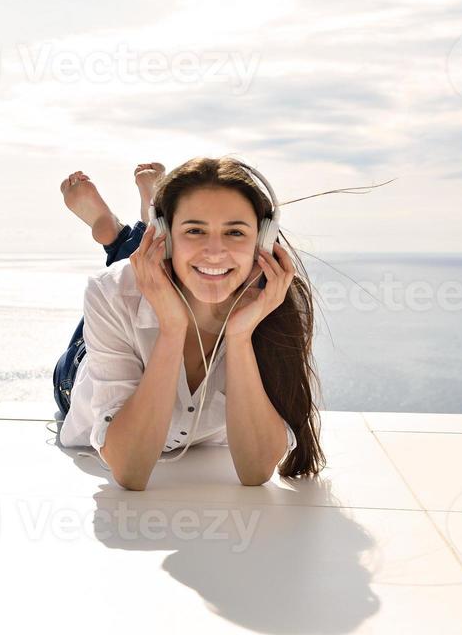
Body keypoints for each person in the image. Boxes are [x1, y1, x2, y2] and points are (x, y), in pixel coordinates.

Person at [53, 156, 325, 491]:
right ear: (166, 237)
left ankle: (135, 224)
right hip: (79, 373)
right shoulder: (110, 291)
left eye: (235, 232)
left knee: (152, 264)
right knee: (134, 269)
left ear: (262, 241)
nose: (215, 251)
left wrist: (240, 335)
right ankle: (116, 231)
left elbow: (255, 472)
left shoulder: (273, 297)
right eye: (194, 230)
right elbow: (129, 471)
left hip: (168, 265)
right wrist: (171, 327)